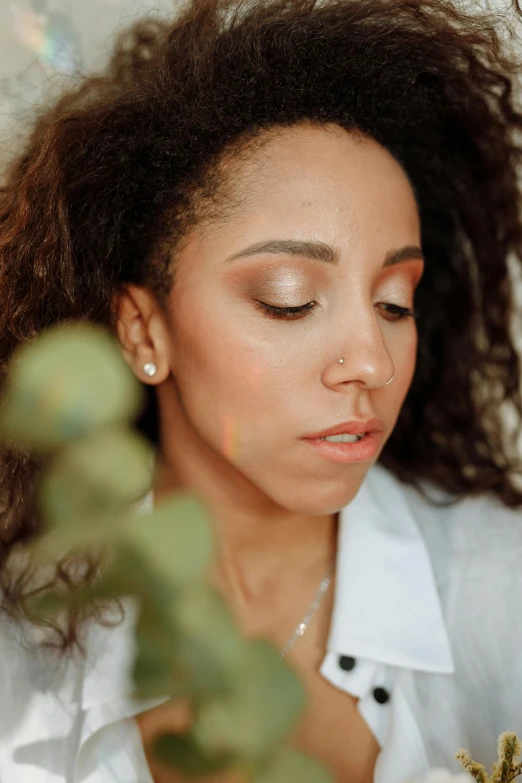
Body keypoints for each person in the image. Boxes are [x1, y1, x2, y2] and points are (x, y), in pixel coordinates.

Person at [1, 0, 522, 781]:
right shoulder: (22, 640)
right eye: (289, 298)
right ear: (146, 332)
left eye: (394, 302)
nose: (372, 364)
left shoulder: (503, 594)